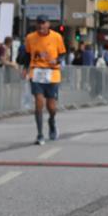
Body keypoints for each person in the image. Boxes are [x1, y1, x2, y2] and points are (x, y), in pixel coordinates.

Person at [25, 16, 67, 144]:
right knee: (38, 102)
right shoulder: (30, 38)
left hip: (52, 73)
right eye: (38, 23)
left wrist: (57, 60)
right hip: (36, 72)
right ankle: (40, 134)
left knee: (51, 106)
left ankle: (52, 121)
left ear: (48, 24)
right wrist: (25, 68)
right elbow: (27, 54)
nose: (41, 26)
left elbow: (63, 53)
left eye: (43, 23)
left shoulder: (56, 37)